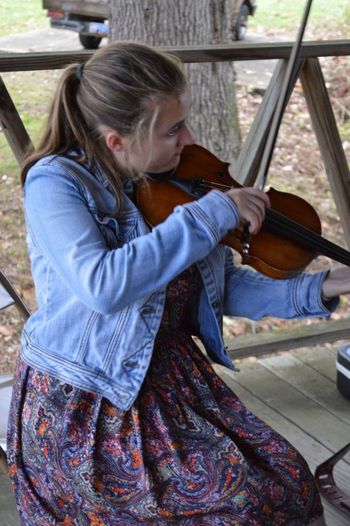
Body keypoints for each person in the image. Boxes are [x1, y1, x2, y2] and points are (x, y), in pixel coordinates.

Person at [7, 41, 350, 526]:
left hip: (172, 380)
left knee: (288, 481)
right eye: (172, 130)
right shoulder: (57, 184)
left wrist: (326, 285)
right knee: (241, 508)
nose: (188, 139)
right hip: (89, 402)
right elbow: (102, 285)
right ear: (116, 141)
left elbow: (220, 289)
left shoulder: (178, 180)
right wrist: (209, 214)